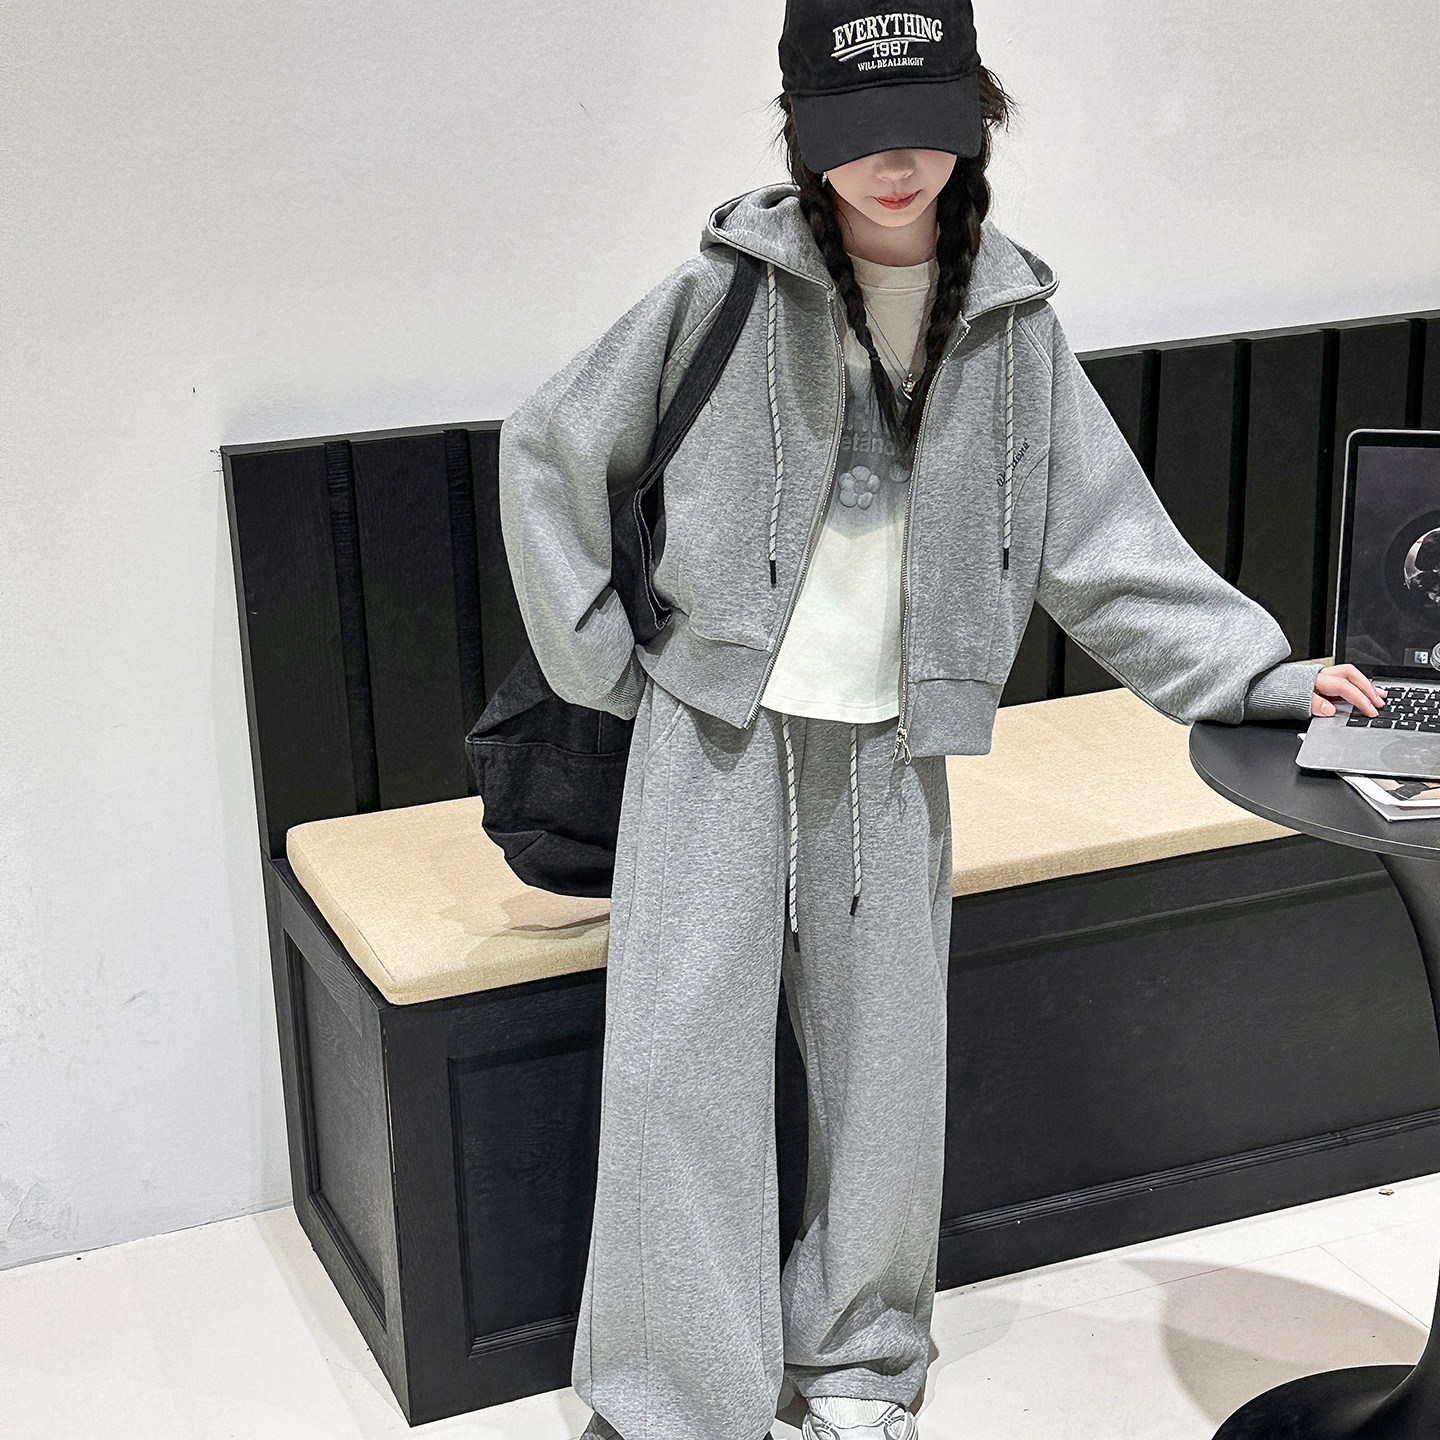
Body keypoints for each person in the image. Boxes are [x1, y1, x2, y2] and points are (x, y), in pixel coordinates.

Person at [497, 3, 1387, 1437]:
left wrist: (1258, 674)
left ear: (979, 120)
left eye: (927, 126)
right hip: (713, 730)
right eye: (860, 134)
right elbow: (551, 448)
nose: (896, 163)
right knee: (679, 1066)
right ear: (803, 135)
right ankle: (672, 1395)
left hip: (889, 745)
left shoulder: (1011, 324)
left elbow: (1103, 544)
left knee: (886, 1081)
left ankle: (860, 1365)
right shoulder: (722, 292)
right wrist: (604, 661)